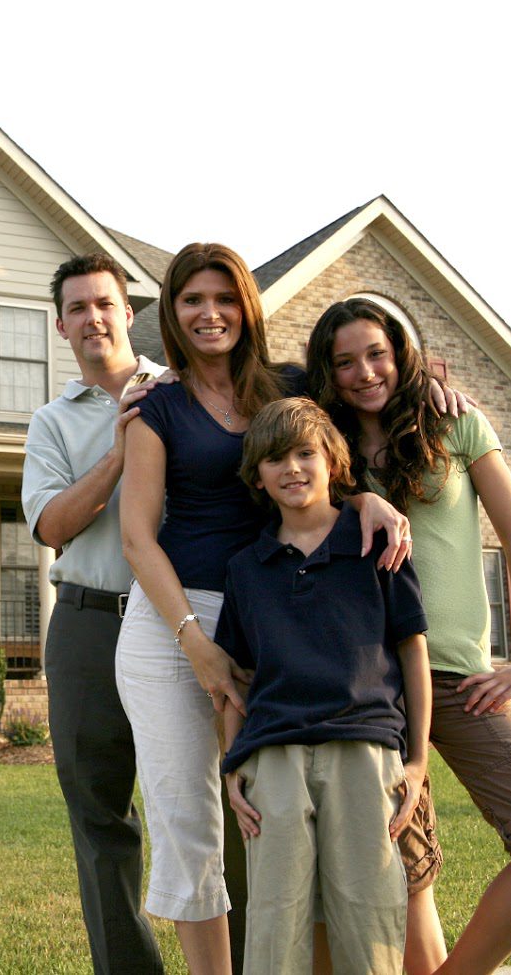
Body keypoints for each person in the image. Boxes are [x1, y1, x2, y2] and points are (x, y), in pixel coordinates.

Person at [117, 243, 441, 975]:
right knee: (191, 824)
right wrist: (195, 641)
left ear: (247, 308)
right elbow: (137, 538)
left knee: (288, 817)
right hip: (177, 619)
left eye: (224, 298)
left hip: (280, 611)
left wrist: (369, 496)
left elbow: (333, 447)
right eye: (192, 300)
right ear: (171, 313)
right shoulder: (157, 406)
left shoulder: (291, 383)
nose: (210, 314)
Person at [305, 298, 511, 975]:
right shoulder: (324, 444)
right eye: (344, 361)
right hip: (368, 683)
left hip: (461, 677)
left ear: (402, 352)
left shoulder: (456, 420)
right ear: (327, 370)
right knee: (408, 874)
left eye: (377, 353)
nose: (364, 372)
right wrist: (355, 497)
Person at [216, 397, 432, 975]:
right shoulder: (245, 569)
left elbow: (413, 652)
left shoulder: (378, 545)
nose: (292, 468)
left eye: (305, 453)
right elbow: (237, 677)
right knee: (275, 921)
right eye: (275, 458)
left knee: (370, 916)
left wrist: (416, 762)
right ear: (256, 477)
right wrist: (231, 765)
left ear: (333, 460)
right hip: (274, 756)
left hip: (365, 750)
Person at [22, 252, 169, 975]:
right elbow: (53, 525)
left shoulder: (181, 393)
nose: (93, 318)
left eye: (103, 303)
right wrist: (115, 455)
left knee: (206, 803)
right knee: (101, 818)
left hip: (179, 623)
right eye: (77, 308)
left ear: (128, 311)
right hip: (86, 625)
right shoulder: (50, 423)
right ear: (61, 326)